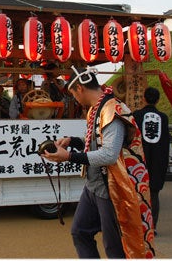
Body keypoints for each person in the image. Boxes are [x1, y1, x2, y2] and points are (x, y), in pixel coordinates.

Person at [41, 66, 154, 259]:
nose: (75, 98)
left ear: (80, 89)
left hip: (112, 188)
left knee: (115, 247)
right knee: (80, 232)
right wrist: (73, 141)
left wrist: (68, 157)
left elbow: (109, 155)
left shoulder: (112, 109)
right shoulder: (96, 109)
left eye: (73, 93)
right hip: (94, 185)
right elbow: (96, 141)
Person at [133, 87, 170, 234]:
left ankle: (138, 226)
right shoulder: (163, 117)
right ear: (158, 100)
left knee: (137, 193)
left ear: (144, 98)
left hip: (140, 161)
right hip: (158, 161)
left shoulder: (137, 115)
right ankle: (152, 227)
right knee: (154, 194)